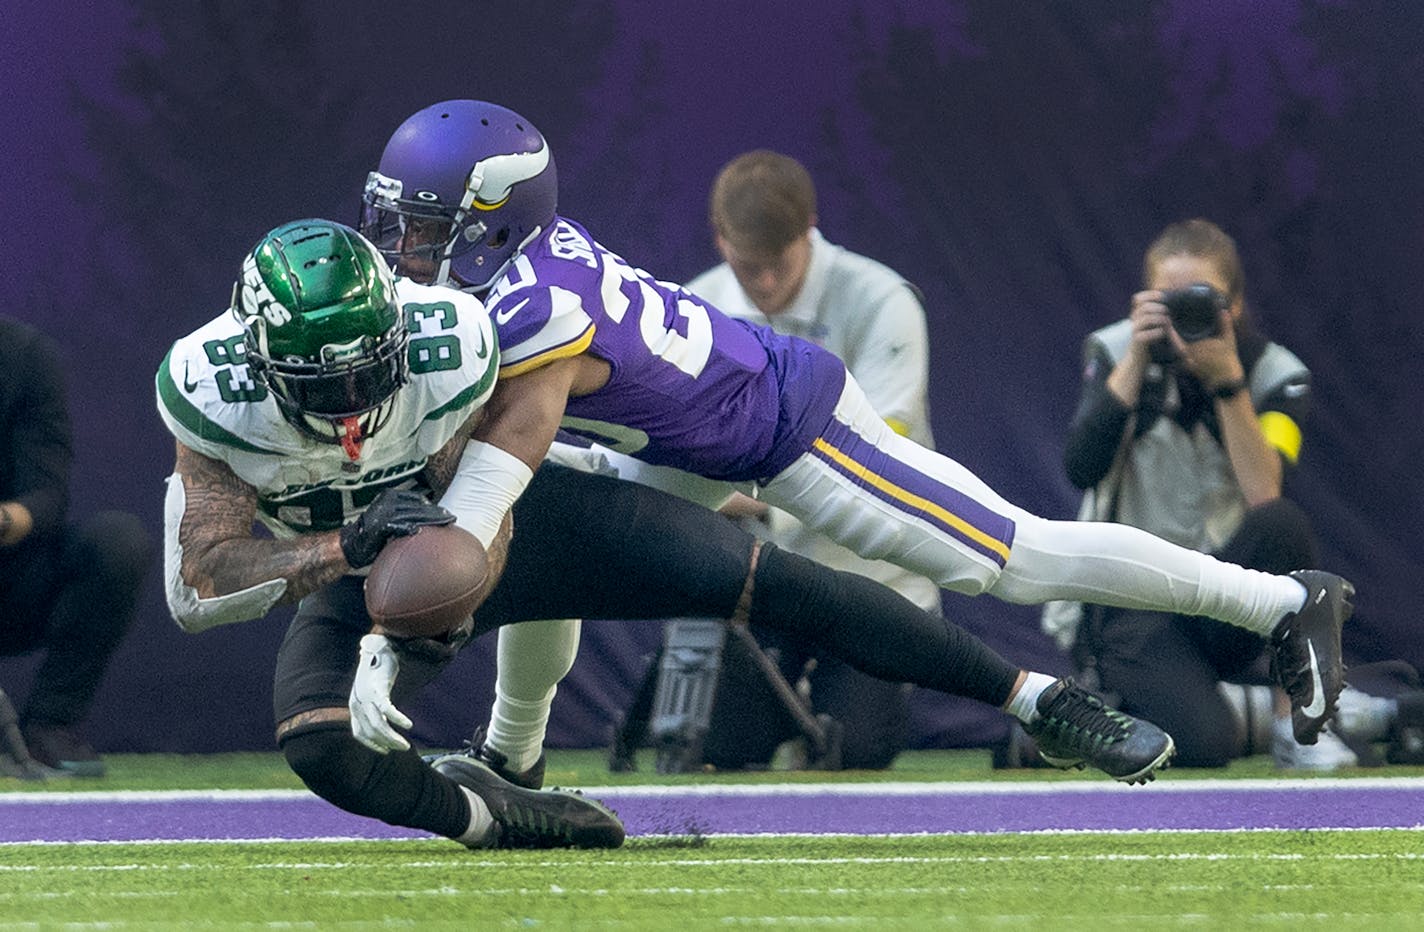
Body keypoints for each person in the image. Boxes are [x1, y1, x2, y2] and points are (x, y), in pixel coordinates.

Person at [356, 99, 1353, 767]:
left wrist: (387, 633)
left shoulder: (528, 307)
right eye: (394, 222)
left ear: (494, 223)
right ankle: (512, 757)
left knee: (1009, 557)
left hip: (781, 425)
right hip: (681, 438)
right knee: (556, 546)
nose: (403, 249)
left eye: (425, 228)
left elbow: (487, 485)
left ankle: (1278, 601)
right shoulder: (501, 277)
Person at [156, 221, 1178, 855]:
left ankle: (1037, 697)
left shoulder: (448, 340)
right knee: (318, 747)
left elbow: (484, 503)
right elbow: (203, 584)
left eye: (365, 368)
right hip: (360, 561)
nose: (351, 404)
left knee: (767, 579)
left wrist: (412, 619)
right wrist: (344, 557)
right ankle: (498, 815)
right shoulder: (211, 397)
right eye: (318, 386)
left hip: (497, 517)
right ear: (254, 362)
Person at [1042, 218, 1386, 769]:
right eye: (1169, 301)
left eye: (1203, 301)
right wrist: (1137, 360)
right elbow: (1080, 468)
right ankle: (1219, 710)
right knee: (1203, 748)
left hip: (1225, 598)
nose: (1185, 318)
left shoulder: (1277, 374)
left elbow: (1264, 492)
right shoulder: (1112, 352)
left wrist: (1228, 384)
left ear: (1238, 303)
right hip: (1134, 602)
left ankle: (1289, 723)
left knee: (1284, 524)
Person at [675, 149, 938, 769]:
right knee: (716, 750)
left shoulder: (882, 300)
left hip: (875, 577)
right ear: (720, 240)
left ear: (810, 231)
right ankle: (771, 716)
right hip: (758, 585)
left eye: (779, 265)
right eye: (748, 267)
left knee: (859, 752)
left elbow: (874, 449)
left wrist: (735, 490)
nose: (765, 283)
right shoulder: (690, 309)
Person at [0, 316, 151, 777]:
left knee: (117, 543)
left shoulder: (22, 355)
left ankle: (50, 725)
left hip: (12, 575)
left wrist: (3, 520)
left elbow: (46, 496)